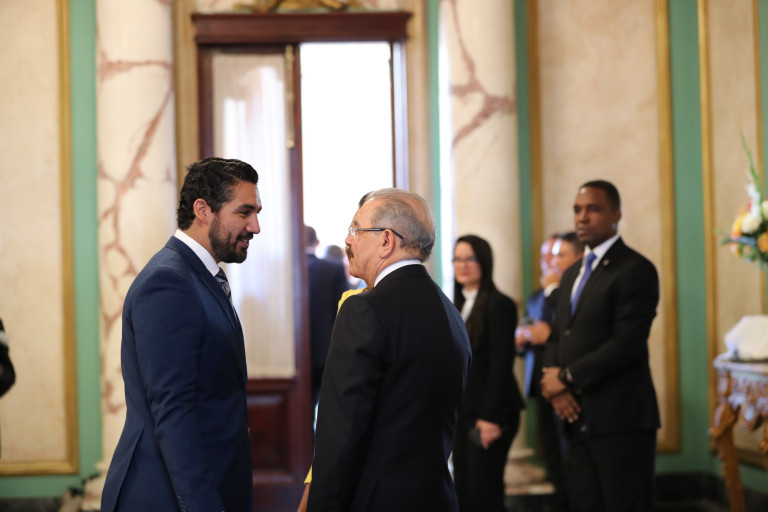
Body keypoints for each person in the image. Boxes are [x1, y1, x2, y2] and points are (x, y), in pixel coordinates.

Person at [101, 157, 262, 512]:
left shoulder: (199, 276)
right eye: (244, 213)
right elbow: (173, 412)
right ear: (203, 210)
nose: (255, 226)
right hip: (167, 496)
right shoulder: (169, 282)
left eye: (256, 213)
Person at [307, 188, 471, 512]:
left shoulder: (364, 309)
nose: (348, 240)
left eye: (356, 229)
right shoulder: (449, 311)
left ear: (386, 241)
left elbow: (340, 434)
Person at [541, 180, 660, 512]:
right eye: (577, 210)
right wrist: (553, 385)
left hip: (620, 420)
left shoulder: (636, 269)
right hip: (574, 416)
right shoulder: (571, 274)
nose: (582, 217)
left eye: (593, 209)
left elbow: (626, 344)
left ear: (616, 214)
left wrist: (565, 377)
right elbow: (557, 335)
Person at [452, 235, 524, 512]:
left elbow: (500, 363)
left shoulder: (499, 304)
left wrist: (489, 418)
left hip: (492, 414)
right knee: (464, 493)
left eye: (470, 258)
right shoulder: (458, 304)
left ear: (484, 262)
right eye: (458, 259)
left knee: (484, 495)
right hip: (464, 413)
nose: (463, 265)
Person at [516, 232, 584, 512]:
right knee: (552, 451)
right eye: (546, 256)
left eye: (558, 255)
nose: (550, 262)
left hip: (568, 381)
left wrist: (547, 333)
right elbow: (529, 330)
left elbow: (568, 328)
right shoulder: (536, 296)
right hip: (539, 382)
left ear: (578, 258)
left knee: (571, 453)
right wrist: (523, 336)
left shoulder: (573, 291)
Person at [305, 225, 350, 410]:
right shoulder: (333, 269)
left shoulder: (284, 269)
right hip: (326, 353)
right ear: (317, 242)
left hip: (293, 357)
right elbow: (344, 313)